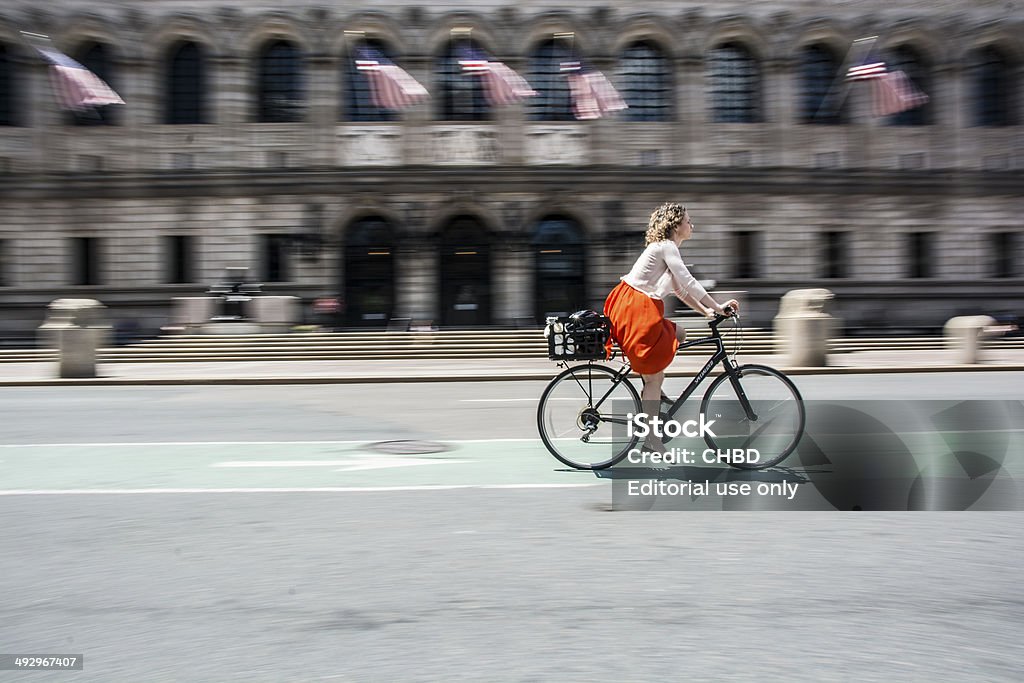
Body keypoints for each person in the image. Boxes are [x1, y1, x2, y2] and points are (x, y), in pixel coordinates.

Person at [603, 203, 739, 449]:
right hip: (635, 307)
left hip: (636, 306)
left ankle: (651, 388)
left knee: (680, 333)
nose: (692, 225)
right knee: (655, 377)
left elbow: (679, 289)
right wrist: (718, 306)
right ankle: (652, 437)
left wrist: (706, 311)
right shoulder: (666, 246)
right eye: (688, 221)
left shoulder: (665, 249)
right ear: (676, 226)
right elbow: (688, 279)